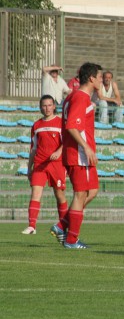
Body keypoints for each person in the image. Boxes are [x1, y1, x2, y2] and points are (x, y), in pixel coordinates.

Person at [49, 62, 103, 249]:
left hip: (79, 154)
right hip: (79, 154)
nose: (101, 80)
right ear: (91, 78)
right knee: (81, 194)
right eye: (99, 77)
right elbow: (72, 125)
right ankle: (71, 239)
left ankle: (62, 224)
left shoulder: (74, 96)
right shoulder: (80, 98)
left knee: (93, 190)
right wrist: (86, 147)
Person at [22, 95, 68, 235]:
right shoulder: (36, 125)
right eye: (44, 105)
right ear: (40, 107)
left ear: (54, 106)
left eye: (49, 105)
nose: (47, 108)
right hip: (40, 164)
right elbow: (33, 149)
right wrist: (29, 167)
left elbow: (67, 142)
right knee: (35, 193)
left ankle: (63, 226)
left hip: (57, 164)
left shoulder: (61, 123)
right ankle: (32, 226)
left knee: (59, 194)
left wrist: (59, 152)